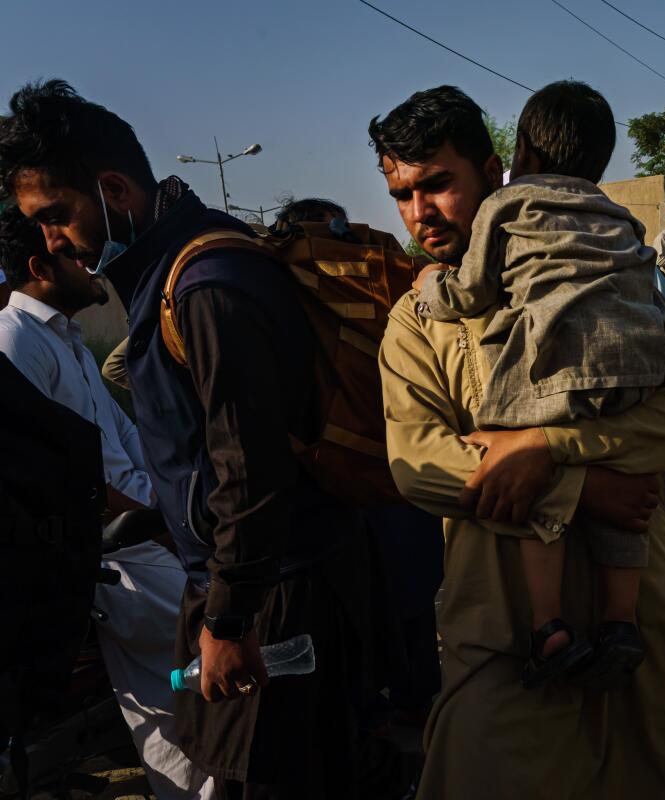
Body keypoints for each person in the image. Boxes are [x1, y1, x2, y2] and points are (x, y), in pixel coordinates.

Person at [0, 79, 382, 798]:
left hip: (274, 599)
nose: (51, 241)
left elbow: (250, 471)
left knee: (271, 776)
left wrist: (230, 617)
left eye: (56, 215)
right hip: (248, 585)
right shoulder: (168, 275)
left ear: (114, 189)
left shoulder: (205, 284)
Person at [371, 84, 665, 799]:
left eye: (438, 184)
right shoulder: (419, 318)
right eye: (402, 194)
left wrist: (546, 443)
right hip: (503, 630)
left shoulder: (611, 273)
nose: (421, 213)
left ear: (494, 169)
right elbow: (419, 464)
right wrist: (584, 481)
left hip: (631, 614)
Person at [414, 80, 665, 690]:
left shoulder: (510, 204)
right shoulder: (619, 215)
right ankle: (621, 622)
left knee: (518, 462)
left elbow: (471, 290)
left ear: (519, 152)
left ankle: (549, 628)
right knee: (630, 490)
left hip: (556, 365)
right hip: (637, 365)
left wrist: (430, 288)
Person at [0, 206, 212, 800]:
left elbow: (128, 444)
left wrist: (185, 512)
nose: (92, 259)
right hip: (117, 554)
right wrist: (156, 526)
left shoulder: (63, 339)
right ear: (39, 266)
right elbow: (53, 481)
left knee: (202, 689)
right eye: (72, 252)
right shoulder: (15, 341)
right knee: (198, 673)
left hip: (152, 535)